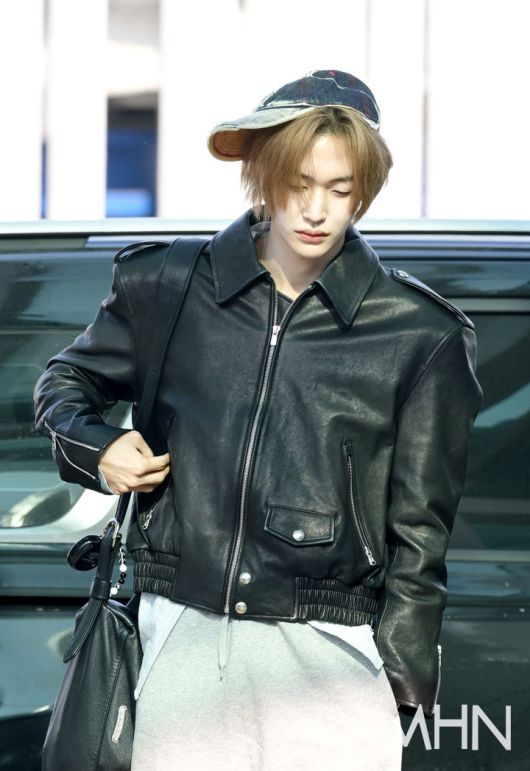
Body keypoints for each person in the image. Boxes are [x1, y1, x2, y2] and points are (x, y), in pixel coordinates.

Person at [34, 69, 482, 770]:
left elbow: (421, 529)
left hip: (332, 651)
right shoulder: (170, 285)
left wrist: (398, 675)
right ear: (264, 175)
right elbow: (65, 382)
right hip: (183, 629)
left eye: (340, 190)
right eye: (299, 184)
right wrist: (101, 448)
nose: (316, 210)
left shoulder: (420, 332)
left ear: (362, 192)